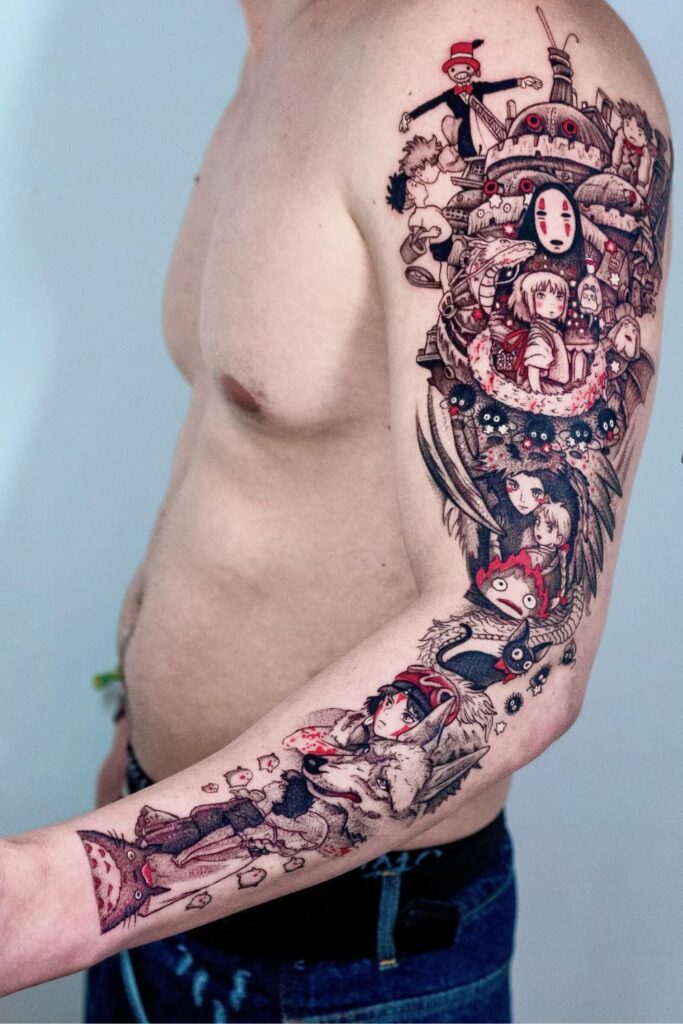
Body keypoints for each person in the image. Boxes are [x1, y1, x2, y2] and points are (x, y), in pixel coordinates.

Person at [0, 3, 671, 1023]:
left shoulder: (483, 39)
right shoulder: (285, 33)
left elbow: (524, 633)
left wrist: (47, 900)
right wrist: (137, 747)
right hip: (153, 884)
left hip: (334, 965)